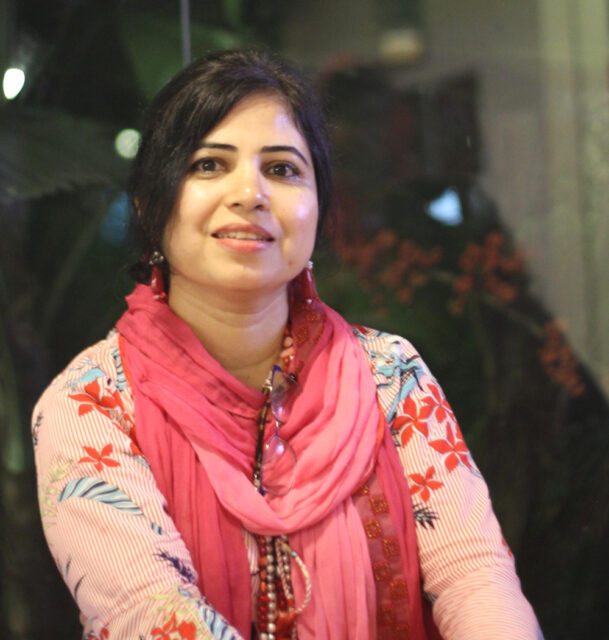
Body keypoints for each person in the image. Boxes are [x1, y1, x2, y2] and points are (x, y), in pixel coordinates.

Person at [32, 49, 543, 640]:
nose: (249, 193)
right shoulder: (90, 404)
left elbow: (473, 576)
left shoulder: (391, 374)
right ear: (149, 206)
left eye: (281, 169)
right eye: (209, 165)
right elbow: (150, 615)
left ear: (319, 209)